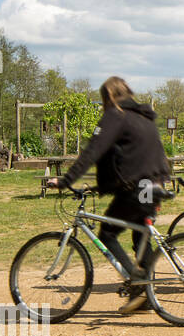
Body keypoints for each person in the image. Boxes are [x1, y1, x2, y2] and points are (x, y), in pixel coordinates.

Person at [47, 76, 169, 314]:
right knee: (140, 237)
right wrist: (102, 186)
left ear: (108, 97)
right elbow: (131, 155)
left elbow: (93, 150)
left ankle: (137, 280)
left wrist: (66, 180)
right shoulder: (144, 117)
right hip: (153, 185)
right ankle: (143, 295)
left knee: (108, 234)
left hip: (136, 187)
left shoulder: (116, 114)